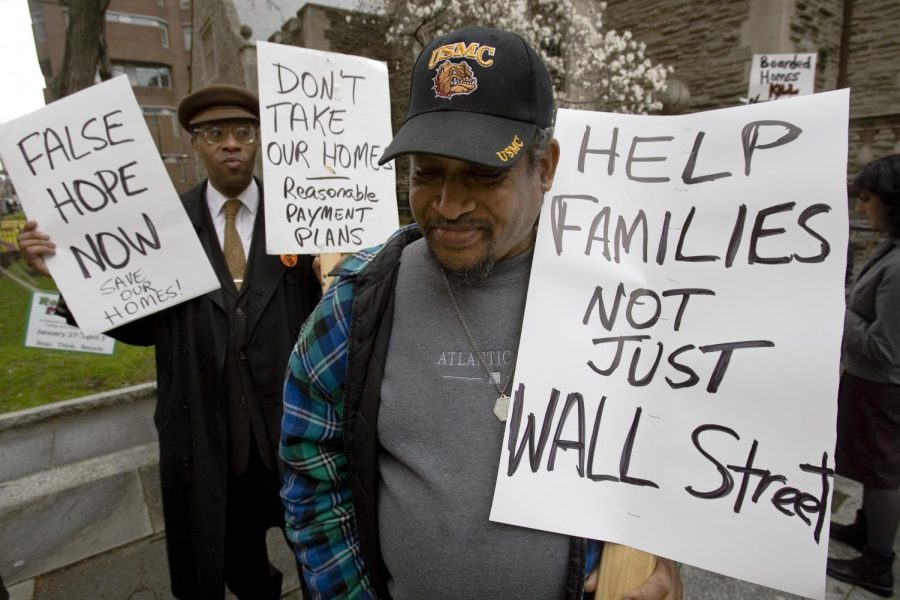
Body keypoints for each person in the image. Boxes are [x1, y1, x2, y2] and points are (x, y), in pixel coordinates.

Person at [280, 26, 682, 599]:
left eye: (483, 174)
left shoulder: (622, 302)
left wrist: (660, 560)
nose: (448, 204)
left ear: (545, 168)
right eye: (426, 172)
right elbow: (312, 475)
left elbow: (669, 454)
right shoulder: (355, 303)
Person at [18, 85, 321, 599]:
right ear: (195, 144)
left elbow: (326, 309)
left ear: (259, 141)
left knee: (322, 557)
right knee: (240, 565)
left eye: (244, 132)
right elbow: (141, 322)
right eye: (215, 133)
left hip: (294, 437)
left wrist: (335, 269)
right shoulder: (163, 225)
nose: (231, 144)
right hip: (212, 441)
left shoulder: (304, 216)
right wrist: (67, 275)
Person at [827, 154, 900, 598]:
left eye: (868, 199)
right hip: (868, 380)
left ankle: (877, 563)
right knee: (872, 465)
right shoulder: (890, 246)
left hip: (882, 384)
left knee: (881, 472)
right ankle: (864, 530)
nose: (862, 209)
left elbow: (885, 344)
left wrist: (841, 312)